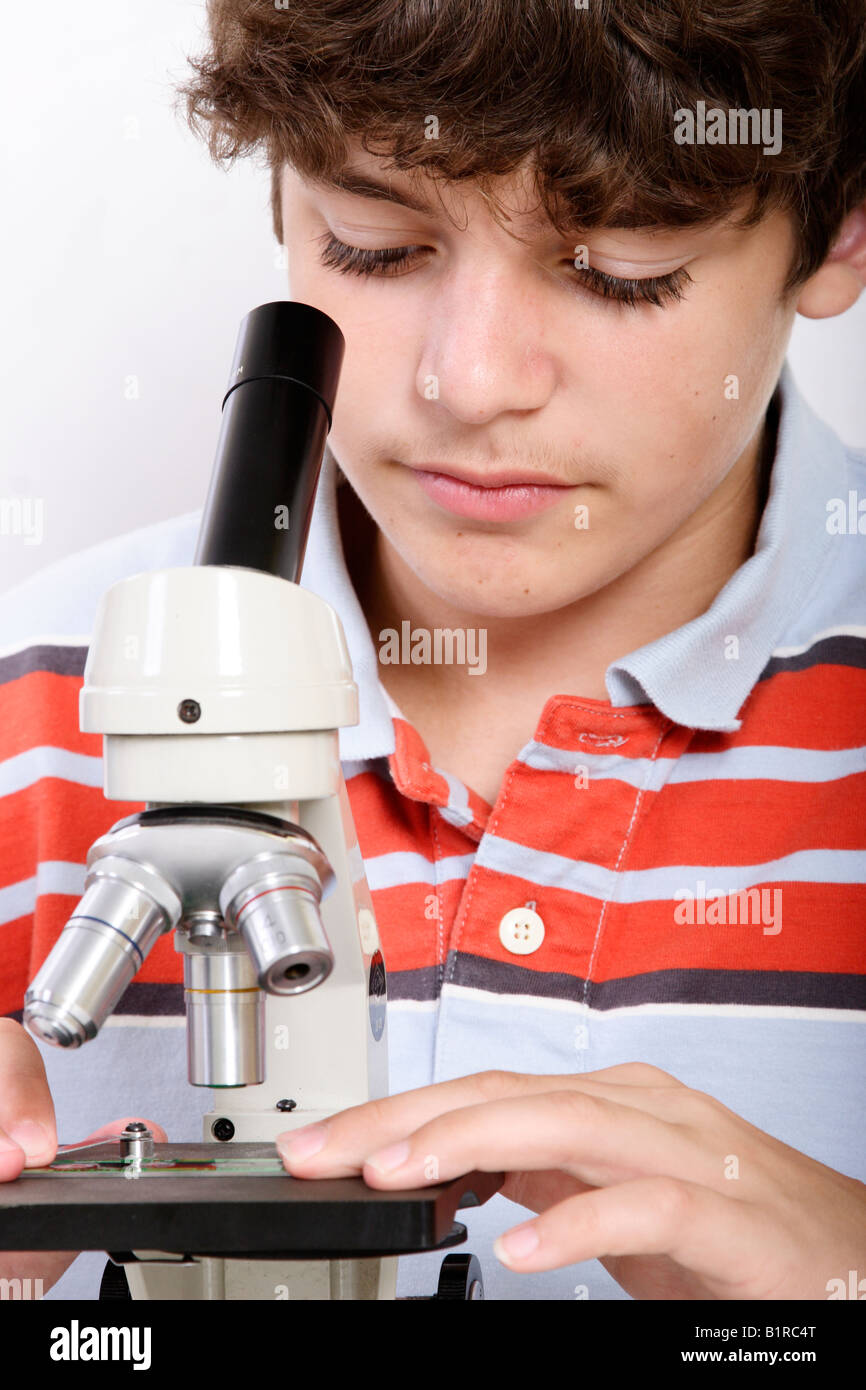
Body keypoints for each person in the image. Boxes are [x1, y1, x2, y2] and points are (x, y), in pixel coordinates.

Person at [2, 0, 865, 1301]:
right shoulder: (29, 689)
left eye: (616, 266)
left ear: (838, 226)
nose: (468, 381)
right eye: (375, 245)